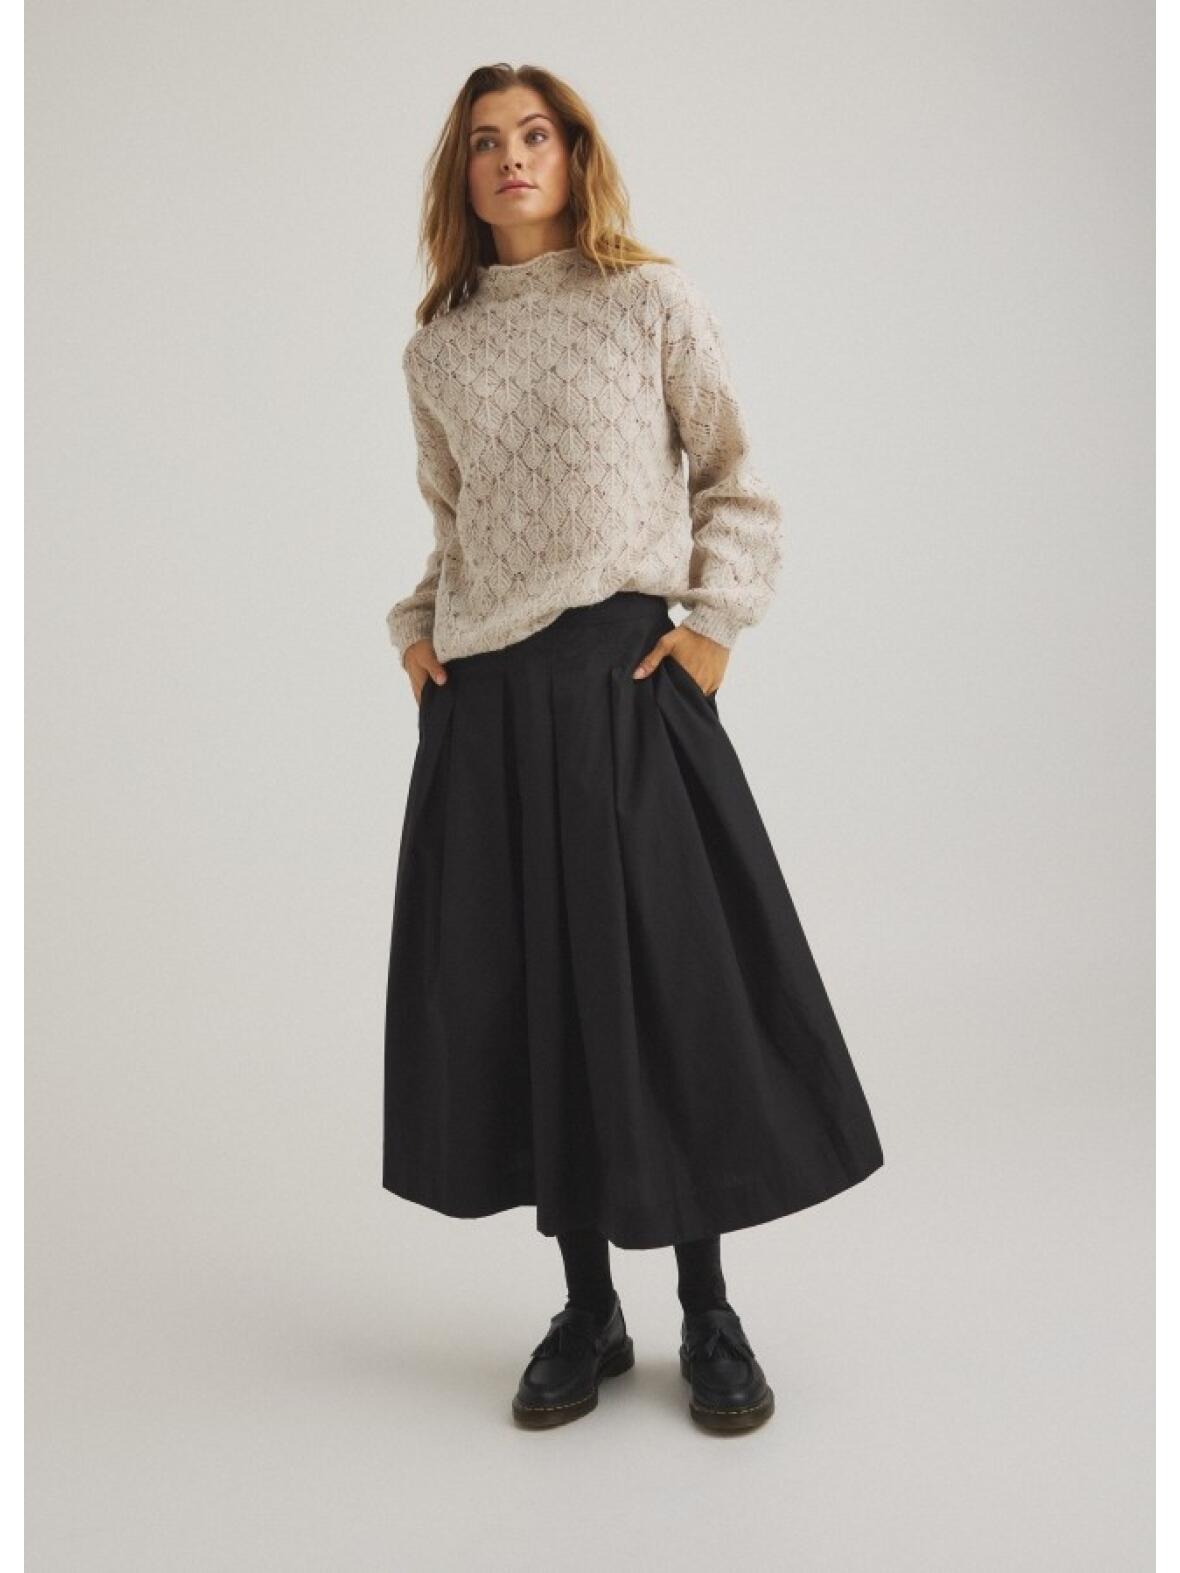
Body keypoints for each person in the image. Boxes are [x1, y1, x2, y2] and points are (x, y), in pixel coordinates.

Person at [383, 63, 884, 1434]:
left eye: (535, 134)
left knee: (669, 992)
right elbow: (457, 529)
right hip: (488, 706)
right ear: (462, 174)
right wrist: (418, 632)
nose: (511, 157)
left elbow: (735, 482)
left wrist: (713, 628)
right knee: (539, 996)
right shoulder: (441, 347)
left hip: (624, 685)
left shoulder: (647, 300)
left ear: (574, 153)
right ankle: (588, 1309)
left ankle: (707, 1310)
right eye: (486, 142)